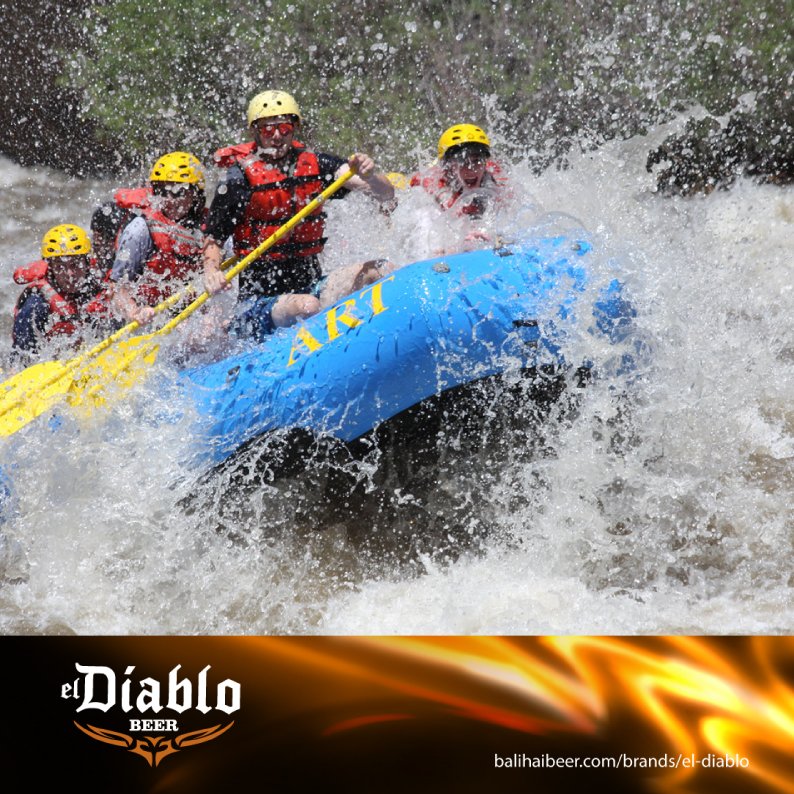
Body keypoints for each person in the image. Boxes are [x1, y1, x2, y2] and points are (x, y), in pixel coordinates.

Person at [201, 89, 396, 338]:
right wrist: (212, 273)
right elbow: (213, 240)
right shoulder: (237, 180)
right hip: (260, 299)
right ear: (255, 132)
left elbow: (385, 194)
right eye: (267, 130)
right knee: (307, 306)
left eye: (284, 128)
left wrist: (370, 175)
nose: (277, 137)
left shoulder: (317, 164)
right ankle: (235, 327)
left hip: (312, 285)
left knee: (381, 269)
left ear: (294, 128)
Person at [110, 151, 208, 325]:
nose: (169, 199)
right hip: (149, 315)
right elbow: (116, 288)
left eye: (179, 192)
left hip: (191, 311)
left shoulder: (209, 226)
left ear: (196, 194)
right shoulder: (139, 230)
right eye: (162, 191)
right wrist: (134, 312)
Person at [11, 224, 111, 363]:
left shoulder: (98, 286)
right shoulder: (36, 304)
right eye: (59, 266)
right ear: (50, 268)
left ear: (87, 262)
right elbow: (20, 358)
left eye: (75, 264)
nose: (69, 274)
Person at [408, 123, 510, 254]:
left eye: (477, 161)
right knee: (426, 214)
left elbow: (511, 214)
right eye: (462, 162)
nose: (471, 169)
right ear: (449, 166)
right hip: (435, 216)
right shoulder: (437, 183)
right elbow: (452, 224)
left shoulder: (495, 176)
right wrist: (460, 243)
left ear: (485, 162)